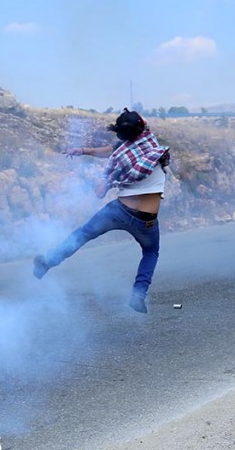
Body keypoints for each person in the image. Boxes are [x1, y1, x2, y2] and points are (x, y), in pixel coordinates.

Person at [33, 109, 170, 313]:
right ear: (142, 127)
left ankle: (48, 261)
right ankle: (138, 294)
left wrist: (103, 179)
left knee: (83, 234)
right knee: (151, 252)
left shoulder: (119, 158)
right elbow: (115, 147)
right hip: (146, 220)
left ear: (120, 134)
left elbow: (103, 180)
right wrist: (84, 151)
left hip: (119, 211)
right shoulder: (151, 145)